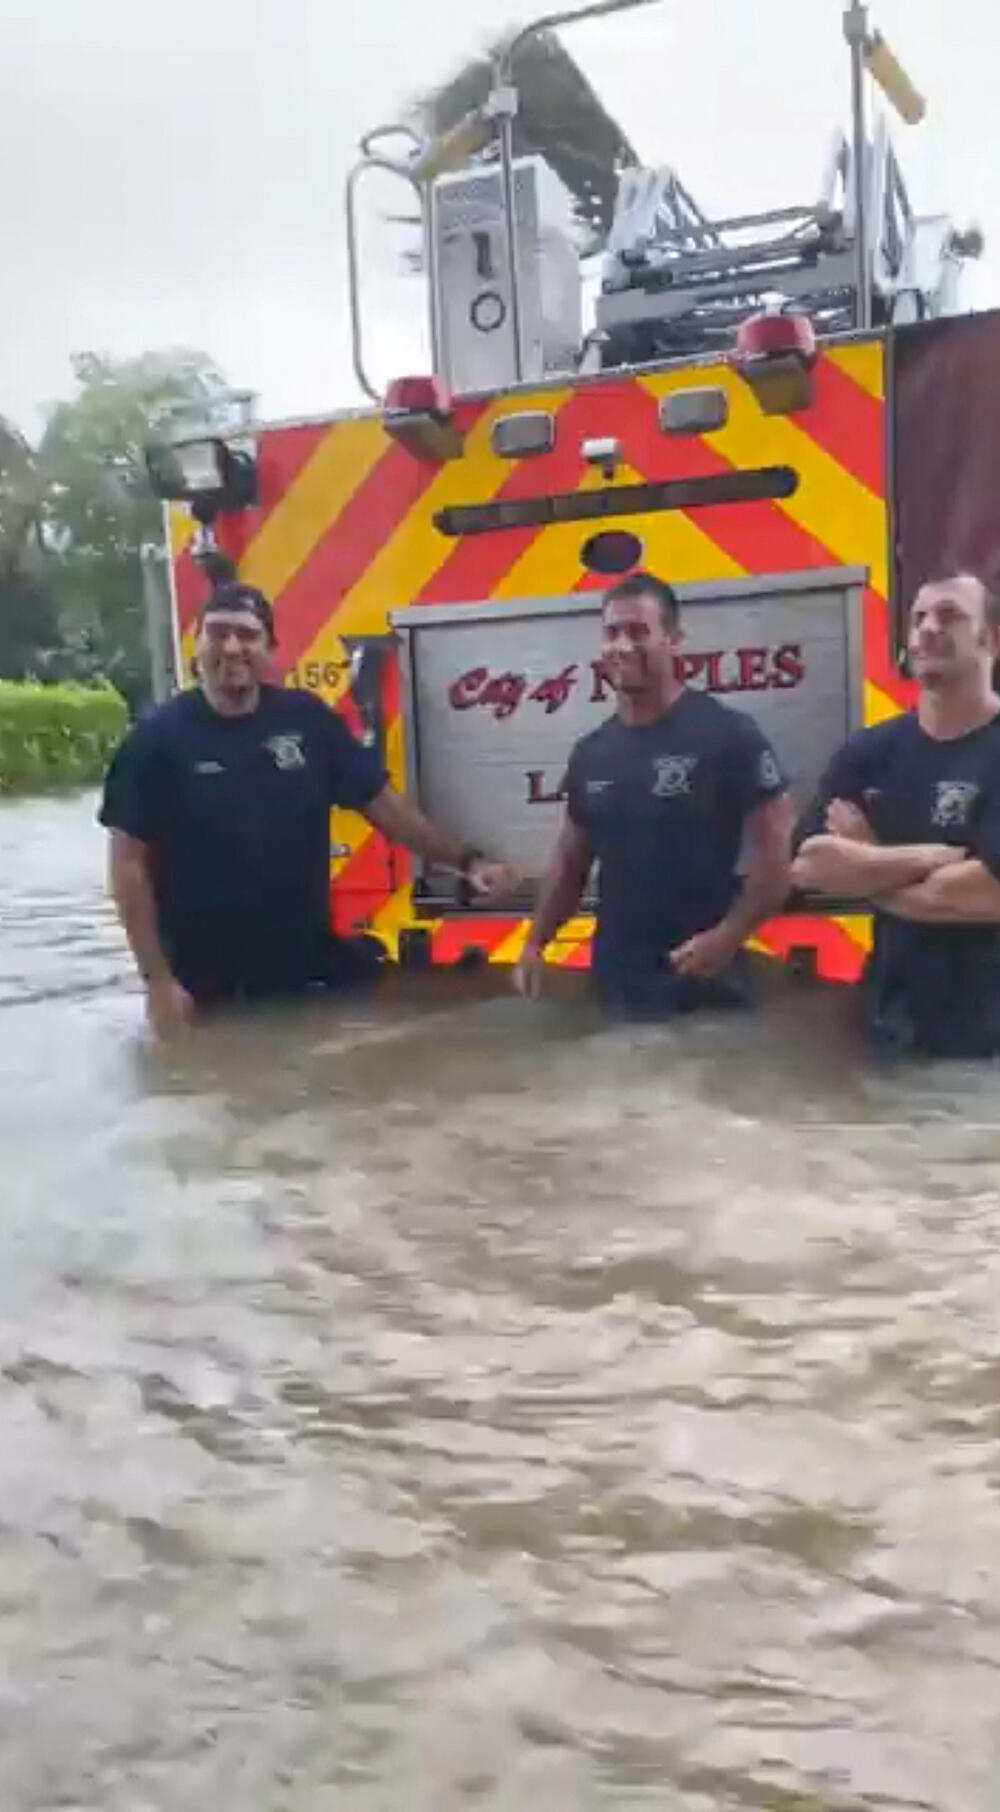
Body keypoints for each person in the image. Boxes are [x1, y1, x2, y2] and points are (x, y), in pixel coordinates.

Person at [100, 580, 514, 1034]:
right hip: (204, 988)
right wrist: (157, 982)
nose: (232, 647)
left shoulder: (308, 721)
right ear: (196, 645)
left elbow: (387, 810)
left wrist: (467, 862)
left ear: (270, 650)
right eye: (217, 633)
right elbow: (127, 866)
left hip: (302, 974)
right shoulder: (155, 741)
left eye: (247, 634)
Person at [513, 570, 794, 1016]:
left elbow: (778, 856)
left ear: (673, 640)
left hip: (706, 984)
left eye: (639, 631)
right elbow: (570, 860)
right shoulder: (591, 753)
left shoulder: (729, 735)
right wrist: (535, 942)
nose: (623, 646)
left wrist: (727, 937)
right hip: (616, 986)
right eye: (612, 633)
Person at [791, 569, 1000, 1058]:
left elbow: (985, 892)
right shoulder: (872, 751)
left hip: (990, 1043)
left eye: (949, 616)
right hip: (889, 1030)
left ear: (990, 639)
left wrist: (865, 861)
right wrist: (932, 858)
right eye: (918, 618)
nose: (928, 629)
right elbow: (808, 863)